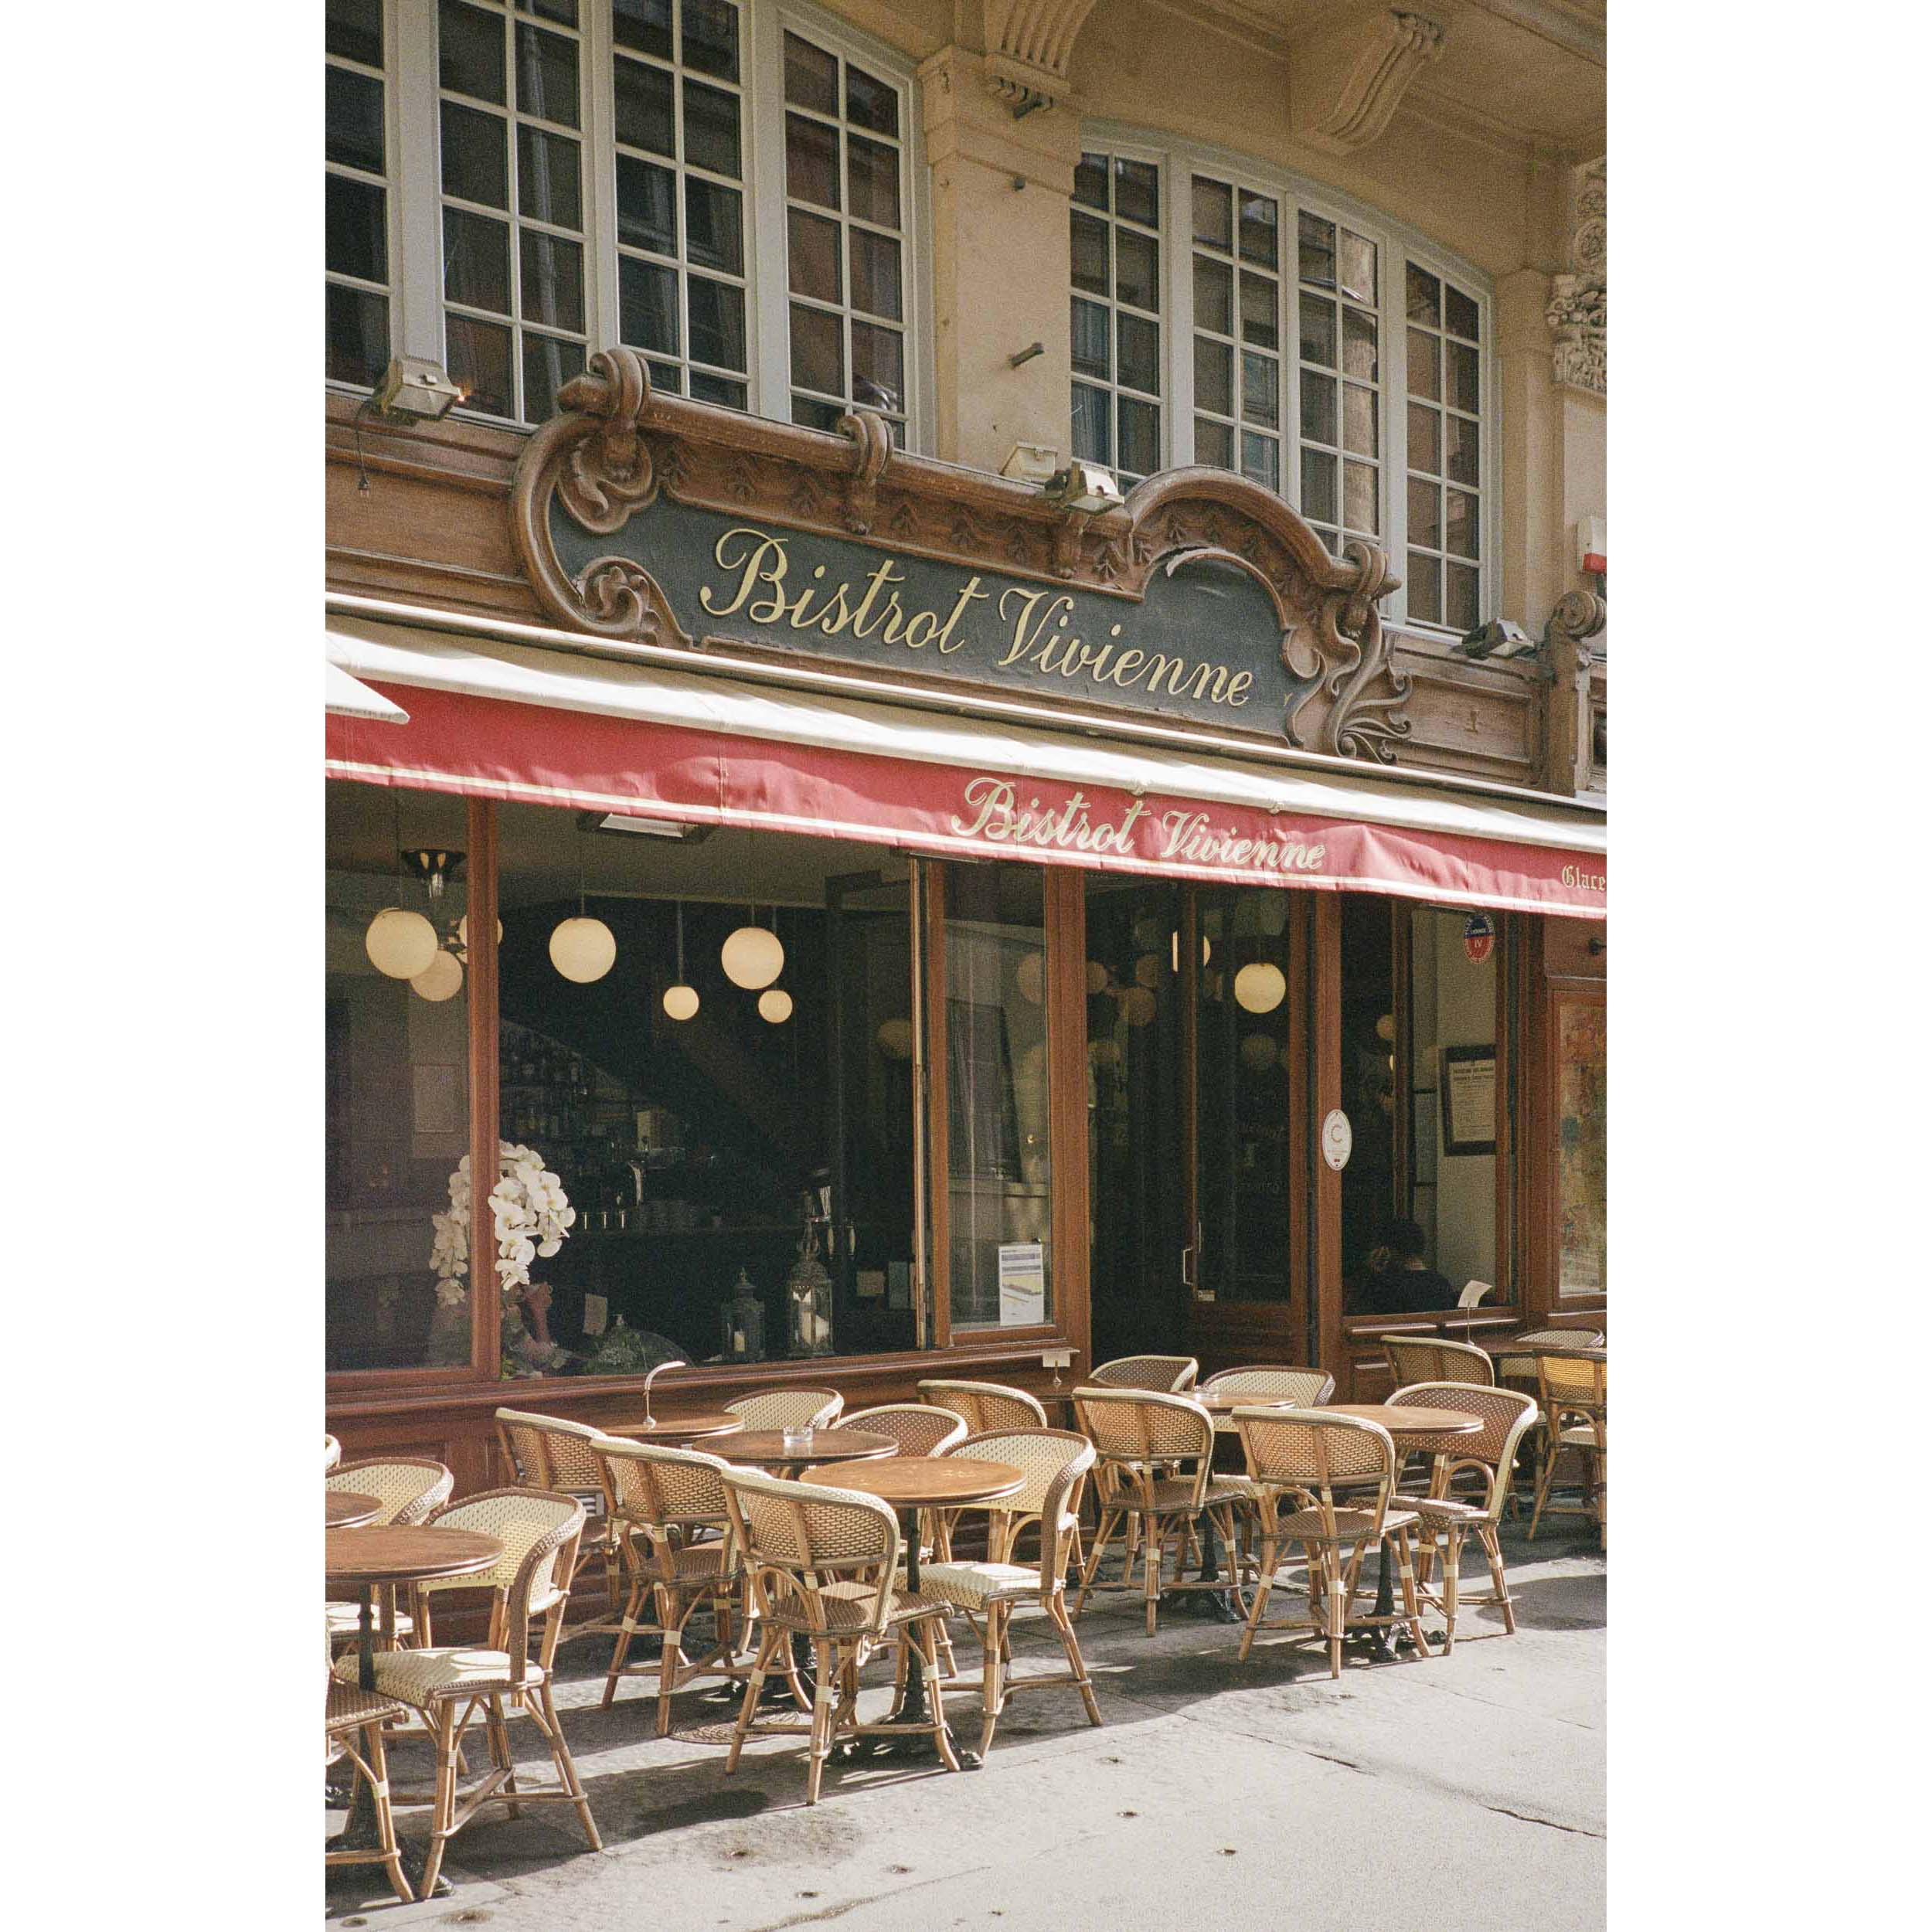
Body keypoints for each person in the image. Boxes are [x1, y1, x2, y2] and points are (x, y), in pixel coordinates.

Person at [1359, 1219, 1455, 1315]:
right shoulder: (1441, 1283)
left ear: (1385, 1251)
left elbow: (1361, 1317)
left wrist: (1372, 1273)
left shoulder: (1386, 1287)